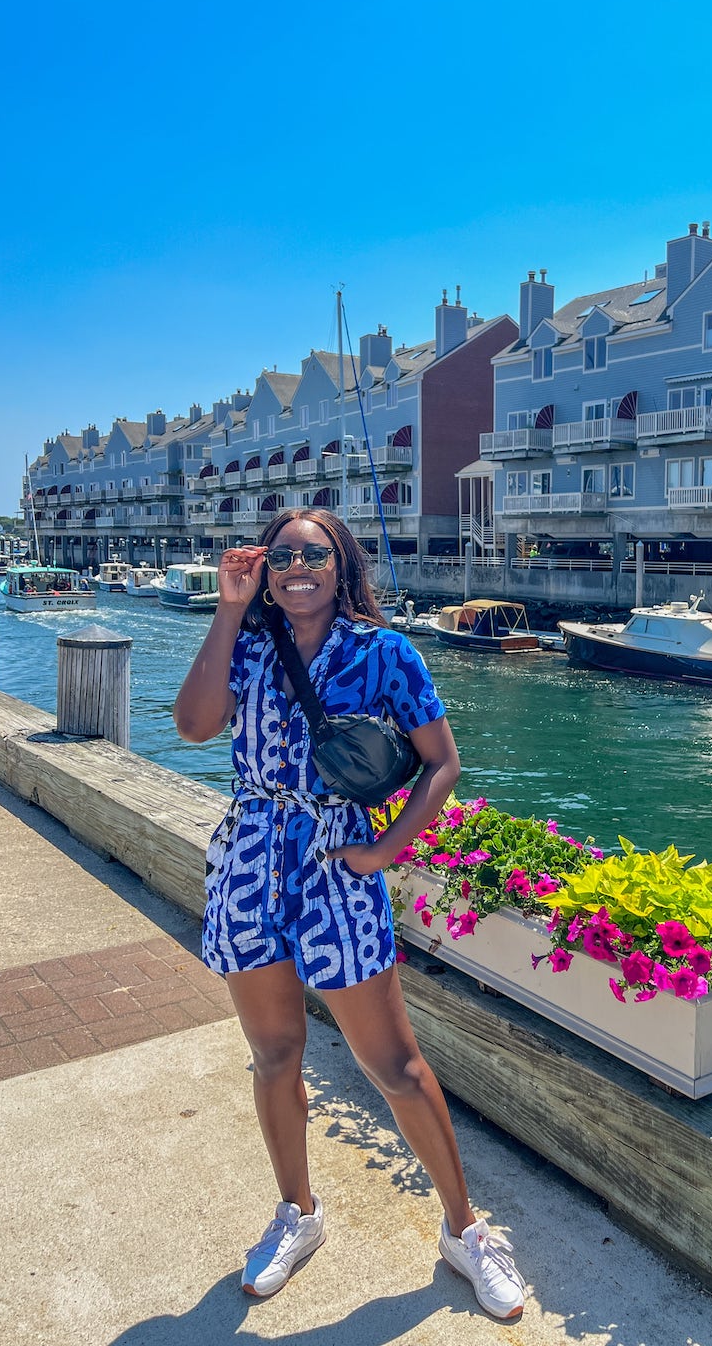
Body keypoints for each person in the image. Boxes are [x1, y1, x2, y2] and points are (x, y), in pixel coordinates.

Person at [173, 507, 526, 1318]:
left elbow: (442, 764)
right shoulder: (248, 643)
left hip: (336, 861)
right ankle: (297, 1213)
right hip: (252, 857)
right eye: (284, 554)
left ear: (342, 565)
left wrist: (383, 851)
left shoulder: (383, 652)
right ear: (264, 565)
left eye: (316, 554)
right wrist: (229, 609)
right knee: (274, 1055)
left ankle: (465, 1230)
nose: (299, 567)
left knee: (394, 1066)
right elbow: (194, 726)